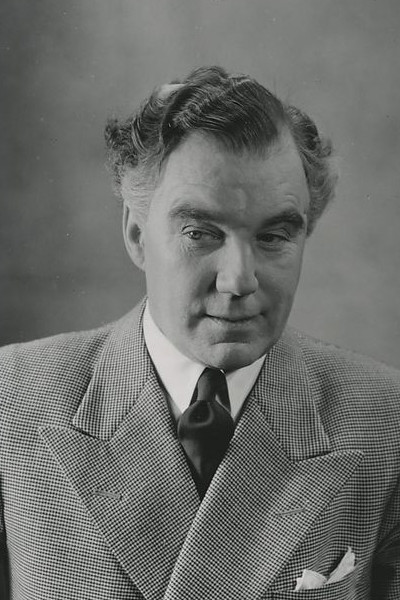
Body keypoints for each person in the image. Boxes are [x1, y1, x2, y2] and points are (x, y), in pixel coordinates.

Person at [0, 66, 399, 600]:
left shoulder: (385, 425)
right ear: (137, 234)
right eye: (201, 233)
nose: (239, 280)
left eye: (274, 236)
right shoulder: (12, 401)